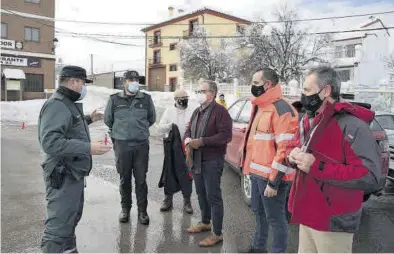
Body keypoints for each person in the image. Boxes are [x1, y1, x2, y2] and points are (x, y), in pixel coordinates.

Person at [287, 66, 382, 253]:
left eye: (307, 90)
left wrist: (316, 166)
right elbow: (305, 155)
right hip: (308, 214)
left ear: (326, 91)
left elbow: (370, 176)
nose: (303, 95)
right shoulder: (311, 119)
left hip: (334, 220)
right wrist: (293, 157)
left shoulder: (352, 125)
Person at [38, 65, 112, 253]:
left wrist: (89, 118)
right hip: (63, 174)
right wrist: (88, 148)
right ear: (73, 82)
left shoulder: (67, 103)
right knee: (59, 227)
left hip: (72, 174)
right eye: (82, 83)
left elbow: (69, 125)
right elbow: (51, 142)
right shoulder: (57, 104)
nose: (83, 88)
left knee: (69, 220)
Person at [240, 68, 299, 253]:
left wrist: (274, 182)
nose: (252, 86)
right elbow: (254, 143)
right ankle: (259, 247)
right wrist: (247, 170)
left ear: (268, 84)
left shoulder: (282, 109)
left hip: (272, 179)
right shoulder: (261, 106)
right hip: (257, 174)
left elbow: (285, 149)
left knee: (276, 219)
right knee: (259, 214)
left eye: (255, 82)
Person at [184, 80, 232, 247]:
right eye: (198, 90)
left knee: (213, 197)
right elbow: (189, 129)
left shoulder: (220, 112)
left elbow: (225, 136)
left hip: (212, 160)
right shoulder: (197, 111)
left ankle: (217, 233)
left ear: (211, 94)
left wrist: (202, 141)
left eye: (202, 90)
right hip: (197, 159)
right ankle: (205, 222)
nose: (198, 93)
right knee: (201, 193)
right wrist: (188, 138)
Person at [104, 70, 156, 225]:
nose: (134, 82)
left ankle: (142, 212)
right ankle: (125, 209)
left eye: (136, 79)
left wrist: (138, 130)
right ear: (124, 82)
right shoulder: (114, 100)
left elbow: (151, 119)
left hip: (141, 145)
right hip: (122, 145)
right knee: (124, 178)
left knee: (141, 180)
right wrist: (121, 133)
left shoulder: (146, 99)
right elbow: (108, 119)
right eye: (131, 79)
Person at [156, 88, 194, 214]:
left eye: (185, 98)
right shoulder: (169, 111)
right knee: (170, 173)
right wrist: (170, 126)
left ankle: (187, 201)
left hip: (187, 148)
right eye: (181, 99)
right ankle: (168, 199)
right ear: (175, 100)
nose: (183, 101)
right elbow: (159, 129)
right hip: (172, 148)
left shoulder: (192, 111)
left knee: (187, 175)